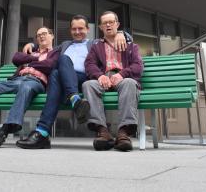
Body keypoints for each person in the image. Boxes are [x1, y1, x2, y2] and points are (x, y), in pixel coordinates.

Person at [16, 14, 130, 149]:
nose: (77, 32)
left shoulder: (95, 43)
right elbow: (45, 47)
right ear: (70, 30)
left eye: (81, 29)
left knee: (61, 62)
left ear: (88, 29)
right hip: (65, 82)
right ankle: (73, 102)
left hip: (86, 80)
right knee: (58, 69)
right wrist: (32, 44)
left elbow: (115, 38)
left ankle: (42, 132)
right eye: (74, 29)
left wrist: (122, 34)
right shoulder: (65, 45)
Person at [83, 11, 143, 152]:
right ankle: (103, 132)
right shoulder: (96, 46)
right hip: (104, 80)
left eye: (111, 22)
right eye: (105, 23)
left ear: (117, 25)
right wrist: (99, 76)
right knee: (88, 84)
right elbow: (89, 64)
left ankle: (123, 133)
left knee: (129, 83)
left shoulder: (131, 46)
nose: (108, 25)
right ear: (100, 27)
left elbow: (138, 66)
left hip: (123, 78)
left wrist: (122, 74)